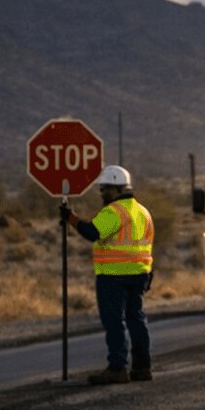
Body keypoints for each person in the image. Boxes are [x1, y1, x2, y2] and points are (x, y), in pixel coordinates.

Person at [61, 165, 155, 385]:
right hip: (140, 274)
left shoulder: (115, 211)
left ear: (116, 189)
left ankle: (117, 368)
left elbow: (92, 232)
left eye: (104, 189)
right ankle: (142, 367)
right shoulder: (143, 211)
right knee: (137, 320)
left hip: (114, 275)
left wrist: (70, 218)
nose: (102, 194)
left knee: (114, 322)